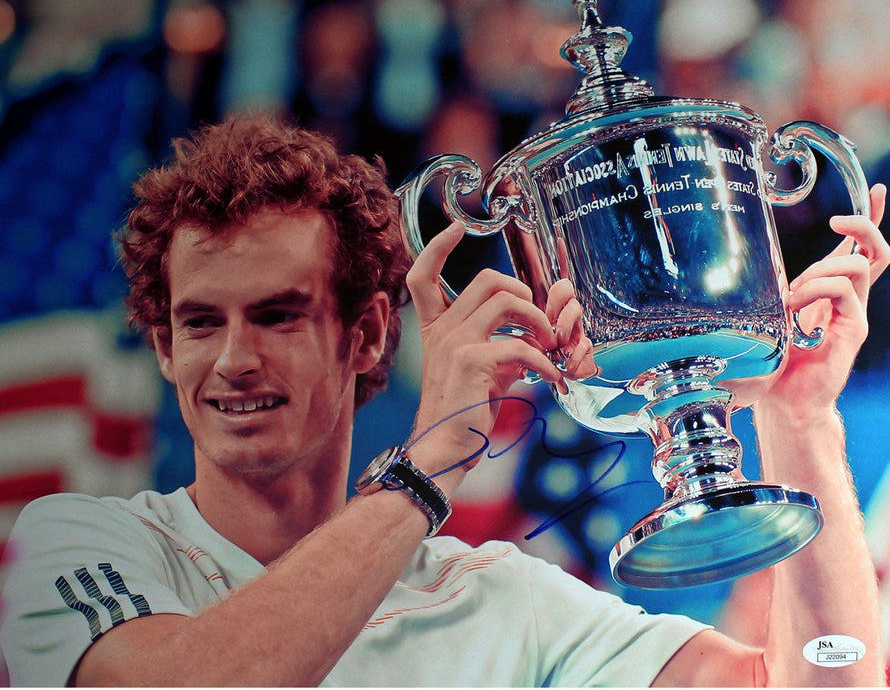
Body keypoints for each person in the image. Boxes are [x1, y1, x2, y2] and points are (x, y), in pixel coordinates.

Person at [1, 112, 887, 687]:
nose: (233, 359)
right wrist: (427, 468)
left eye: (278, 317)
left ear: (368, 337)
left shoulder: (504, 602)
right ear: (162, 348)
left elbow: (828, 682)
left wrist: (799, 416)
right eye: (198, 325)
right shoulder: (83, 543)